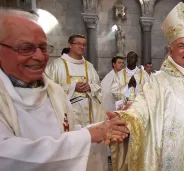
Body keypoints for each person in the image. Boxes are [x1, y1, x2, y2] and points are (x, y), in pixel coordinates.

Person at [107, 2, 184, 171]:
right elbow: (141, 109)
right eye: (181, 46)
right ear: (171, 50)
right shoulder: (158, 82)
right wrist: (125, 119)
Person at [0, 9, 128, 171]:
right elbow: (8, 157)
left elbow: (69, 132)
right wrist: (88, 135)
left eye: (43, 47)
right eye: (26, 48)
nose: (40, 57)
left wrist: (102, 128)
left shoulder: (55, 92)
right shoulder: (58, 67)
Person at [45, 34, 109, 171]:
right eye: (78, 43)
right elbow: (48, 89)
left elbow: (98, 86)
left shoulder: (89, 66)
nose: (82, 47)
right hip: (67, 117)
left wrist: (90, 87)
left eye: (84, 44)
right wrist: (73, 87)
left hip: (89, 115)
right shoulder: (56, 66)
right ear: (70, 45)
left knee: (90, 155)